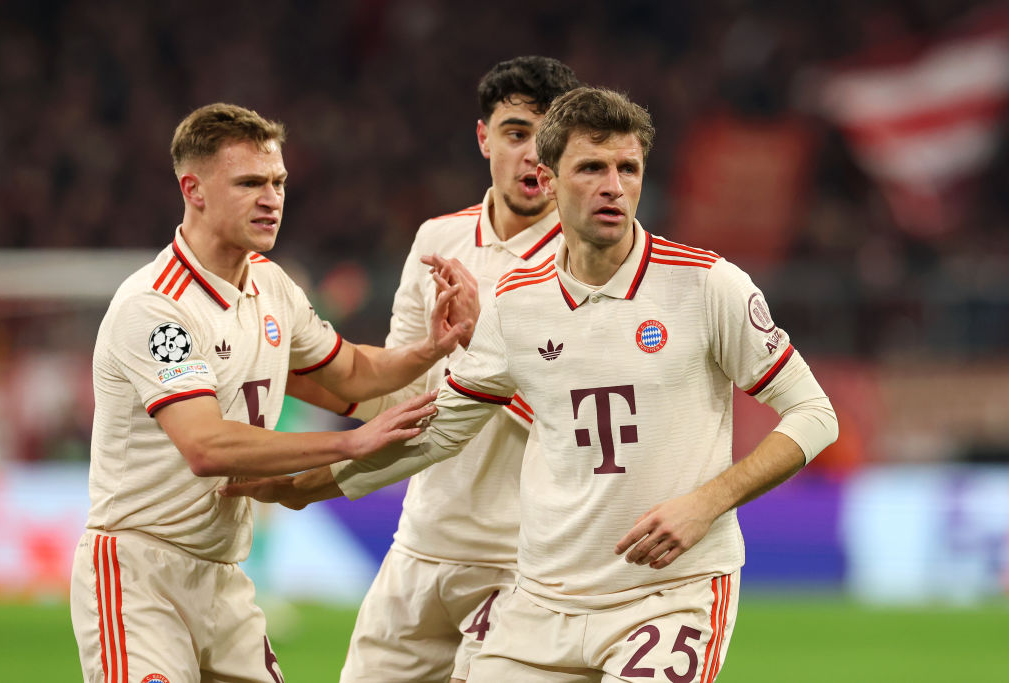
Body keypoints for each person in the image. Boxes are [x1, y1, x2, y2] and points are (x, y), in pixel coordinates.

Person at [230, 87, 839, 680]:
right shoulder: (518, 303)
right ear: (548, 179)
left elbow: (814, 413)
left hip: (666, 596)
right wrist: (312, 486)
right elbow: (438, 431)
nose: (613, 186)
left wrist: (708, 502)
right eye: (592, 168)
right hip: (544, 601)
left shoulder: (706, 285)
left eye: (628, 168)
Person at [68, 102, 469, 683]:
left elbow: (351, 373)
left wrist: (430, 348)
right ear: (193, 190)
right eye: (249, 183)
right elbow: (205, 446)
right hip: (138, 572)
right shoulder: (155, 307)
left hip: (223, 576)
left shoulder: (271, 285)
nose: (271, 199)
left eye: (278, 182)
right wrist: (349, 445)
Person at [226, 56, 581, 683]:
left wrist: (482, 340)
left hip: (526, 561)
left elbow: (578, 418)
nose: (533, 155)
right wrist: (292, 373)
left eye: (548, 139)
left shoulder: (589, 260)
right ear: (484, 138)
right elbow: (402, 400)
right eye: (516, 133)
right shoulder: (437, 241)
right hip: (422, 543)